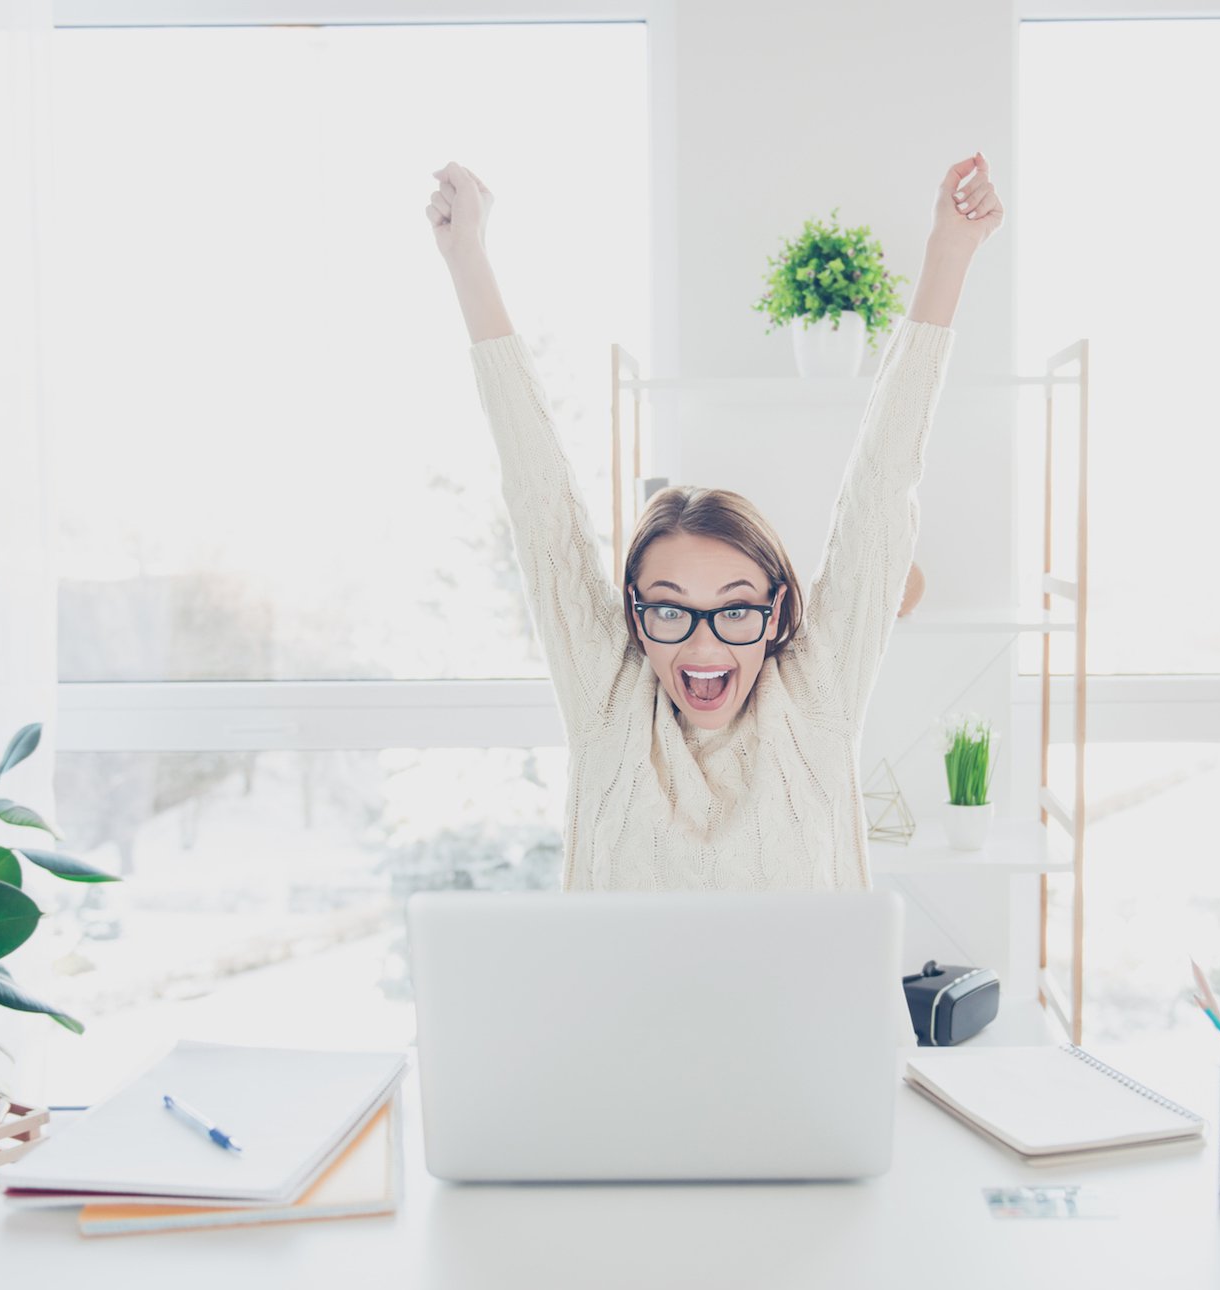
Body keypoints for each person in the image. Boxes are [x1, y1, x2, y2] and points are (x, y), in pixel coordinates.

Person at [428, 153, 1002, 913]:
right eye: (669, 609)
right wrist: (466, 254)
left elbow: (882, 487)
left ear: (777, 615)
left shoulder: (816, 692)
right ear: (634, 615)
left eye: (735, 608)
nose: (703, 646)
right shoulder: (607, 699)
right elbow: (543, 505)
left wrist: (949, 253)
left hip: (814, 1035)